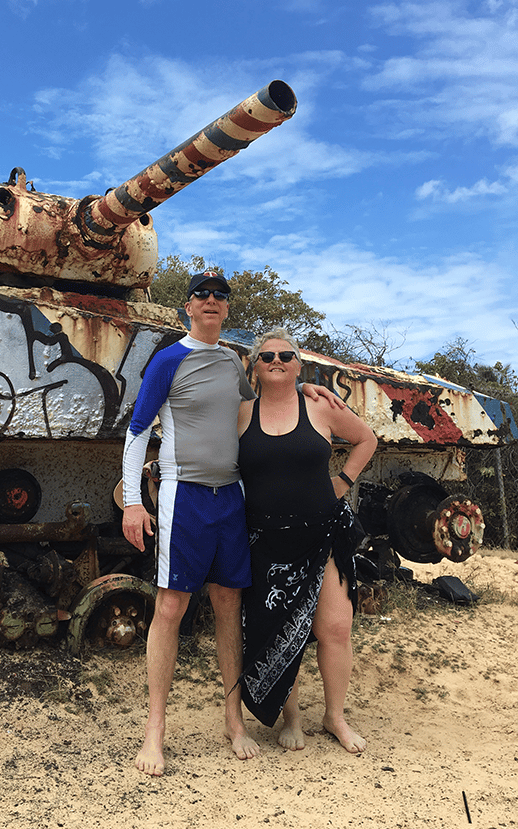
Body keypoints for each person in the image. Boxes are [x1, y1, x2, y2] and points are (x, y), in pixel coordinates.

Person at [122, 273, 342, 776]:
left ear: (226, 309)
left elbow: (262, 401)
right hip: (185, 496)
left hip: (232, 499)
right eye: (203, 295)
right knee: (171, 607)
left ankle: (233, 720)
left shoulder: (230, 360)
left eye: (221, 297)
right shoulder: (169, 360)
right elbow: (138, 431)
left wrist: (304, 385)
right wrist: (134, 503)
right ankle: (155, 730)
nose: (212, 302)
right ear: (187, 306)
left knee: (228, 604)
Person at [237, 328, 377, 754]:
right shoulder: (241, 413)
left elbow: (366, 439)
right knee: (280, 630)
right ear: (255, 368)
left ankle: (334, 717)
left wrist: (344, 480)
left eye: (285, 355)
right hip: (266, 541)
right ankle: (292, 717)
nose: (275, 361)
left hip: (323, 534)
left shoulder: (319, 405)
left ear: (299, 365)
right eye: (266, 357)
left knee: (335, 626)